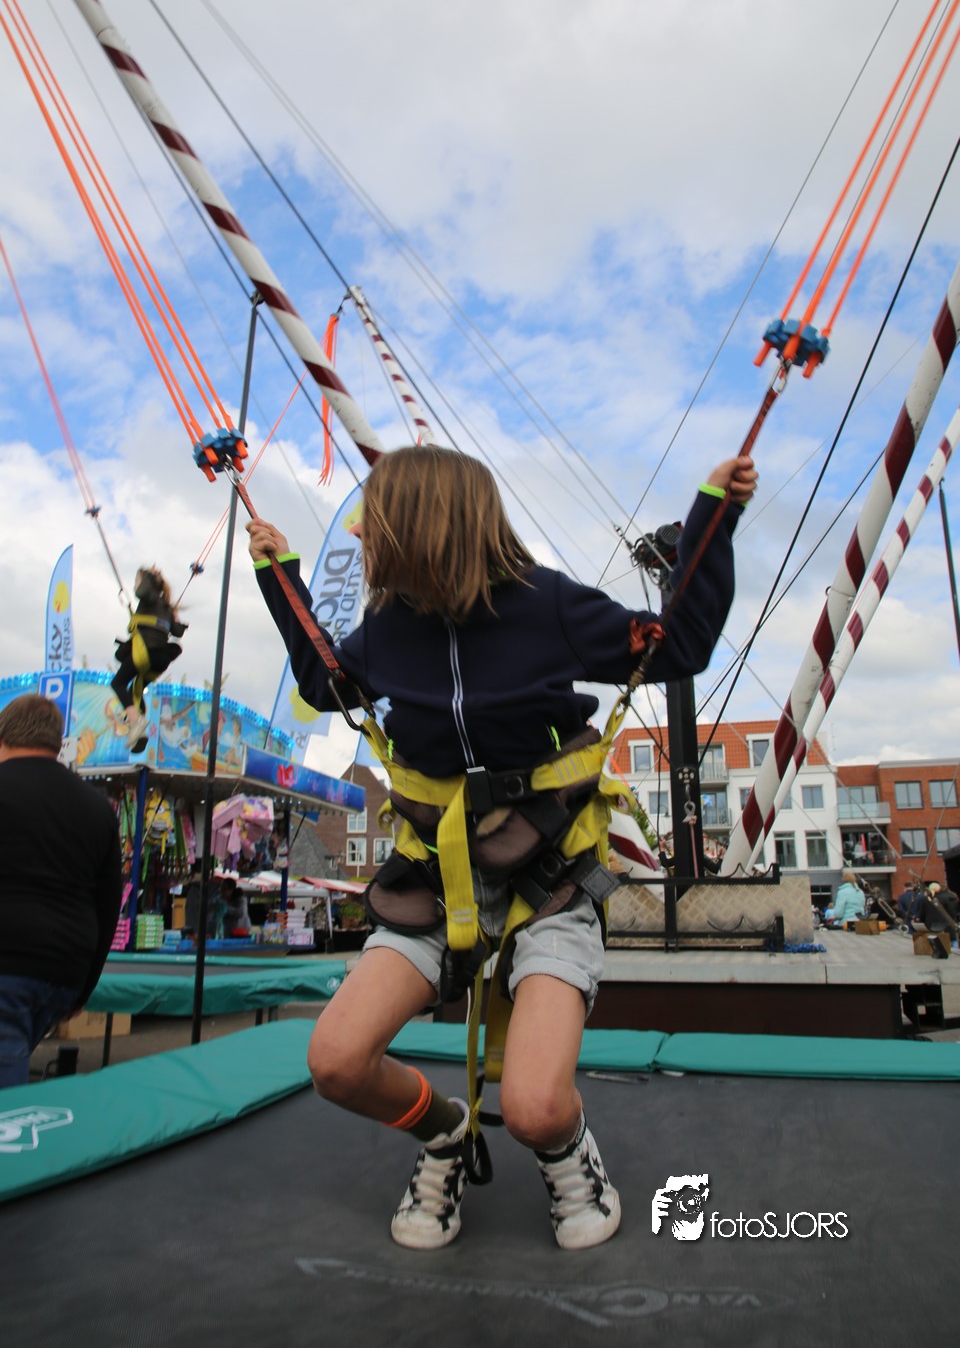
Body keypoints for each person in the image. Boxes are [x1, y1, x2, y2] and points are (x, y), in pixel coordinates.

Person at [246, 444, 757, 1253]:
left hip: (549, 879)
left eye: (374, 521)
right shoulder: (390, 629)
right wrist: (279, 576)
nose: (364, 536)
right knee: (337, 1061)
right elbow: (327, 681)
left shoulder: (543, 605)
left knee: (534, 1109)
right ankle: (445, 1134)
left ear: (421, 524)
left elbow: (677, 645)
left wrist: (713, 516)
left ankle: (566, 1150)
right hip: (439, 878)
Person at [0, 693, 123, 1089]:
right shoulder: (97, 807)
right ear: (57, 741)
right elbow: (108, 904)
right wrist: (83, 988)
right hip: (65, 969)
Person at [110, 567, 187, 752]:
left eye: (136, 581)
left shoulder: (148, 597)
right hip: (160, 660)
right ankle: (139, 733)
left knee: (118, 683)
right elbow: (177, 631)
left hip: (145, 653)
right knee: (135, 691)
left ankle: (136, 722)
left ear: (146, 584)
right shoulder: (166, 608)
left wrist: (146, 577)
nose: (135, 586)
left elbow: (141, 592)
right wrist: (175, 617)